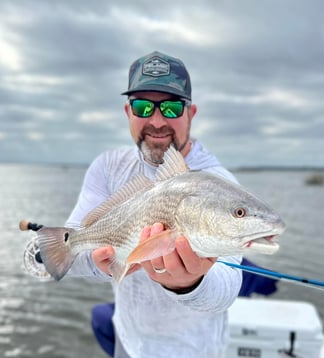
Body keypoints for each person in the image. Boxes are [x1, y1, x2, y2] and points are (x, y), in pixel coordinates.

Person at [65, 51, 244, 358]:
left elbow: (227, 286)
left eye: (172, 107)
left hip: (193, 351)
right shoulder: (108, 167)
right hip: (129, 340)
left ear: (191, 112)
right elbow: (68, 246)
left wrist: (189, 284)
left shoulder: (218, 186)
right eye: (143, 106)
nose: (157, 120)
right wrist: (101, 264)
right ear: (127, 112)